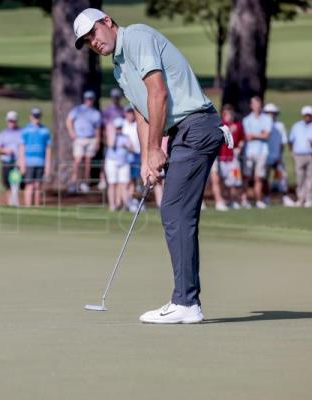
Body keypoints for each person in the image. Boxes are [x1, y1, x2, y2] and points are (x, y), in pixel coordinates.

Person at [74, 8, 227, 323]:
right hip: (184, 132)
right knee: (177, 211)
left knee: (174, 210)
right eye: (87, 41)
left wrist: (157, 147)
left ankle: (186, 302)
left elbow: (159, 95)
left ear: (108, 22)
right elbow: (143, 114)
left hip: (196, 127)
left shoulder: (138, 37)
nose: (93, 42)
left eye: (93, 33)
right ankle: (187, 301)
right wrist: (147, 159)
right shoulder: (119, 68)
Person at [287, 106, 312, 208]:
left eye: (309, 115)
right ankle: (301, 198)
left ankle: (309, 198)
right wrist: (292, 151)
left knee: (311, 177)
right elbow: (290, 140)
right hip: (298, 155)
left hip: (311, 155)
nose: (307, 117)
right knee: (300, 178)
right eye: (306, 115)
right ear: (303, 115)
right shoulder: (296, 126)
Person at [210, 104, 246, 210]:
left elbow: (242, 139)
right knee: (218, 180)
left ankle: (232, 200)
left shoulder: (238, 125)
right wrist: (229, 130)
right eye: (227, 114)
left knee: (233, 181)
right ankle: (219, 201)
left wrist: (239, 146)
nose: (229, 116)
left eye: (231, 114)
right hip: (220, 157)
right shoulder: (220, 125)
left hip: (232, 159)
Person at [66, 90, 102, 193]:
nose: (89, 101)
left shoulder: (95, 113)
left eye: (90, 99)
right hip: (80, 138)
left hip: (91, 139)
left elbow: (97, 129)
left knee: (88, 161)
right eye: (87, 99)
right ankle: (74, 182)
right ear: (84, 99)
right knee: (77, 160)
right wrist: (71, 132)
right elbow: (69, 121)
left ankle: (85, 182)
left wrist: (98, 141)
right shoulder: (77, 110)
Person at [242, 97, 272, 209]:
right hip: (249, 152)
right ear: (251, 105)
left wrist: (255, 135)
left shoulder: (267, 119)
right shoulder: (247, 120)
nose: (257, 106)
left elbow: (267, 135)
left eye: (259, 104)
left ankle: (258, 200)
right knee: (247, 177)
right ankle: (244, 199)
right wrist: (260, 134)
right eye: (255, 104)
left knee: (258, 177)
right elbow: (248, 137)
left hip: (262, 152)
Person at [19, 108, 51, 207]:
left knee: (38, 185)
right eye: (34, 116)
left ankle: (37, 206)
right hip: (29, 162)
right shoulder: (26, 130)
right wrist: (22, 163)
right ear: (30, 117)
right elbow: (22, 147)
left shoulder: (45, 131)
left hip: (40, 162)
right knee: (29, 185)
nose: (36, 119)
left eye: (38, 116)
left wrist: (48, 165)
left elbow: (48, 149)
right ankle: (28, 206)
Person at [263, 103, 293, 206]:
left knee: (282, 176)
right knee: (265, 178)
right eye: (268, 113)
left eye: (272, 113)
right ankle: (266, 197)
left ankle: (285, 196)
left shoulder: (280, 126)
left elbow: (282, 142)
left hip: (277, 156)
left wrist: (279, 155)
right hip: (265, 156)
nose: (271, 115)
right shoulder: (262, 125)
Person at [105, 117, 133, 211]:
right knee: (112, 183)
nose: (119, 129)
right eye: (117, 127)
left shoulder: (126, 137)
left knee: (123, 184)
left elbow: (132, 148)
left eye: (120, 127)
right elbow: (110, 144)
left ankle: (121, 203)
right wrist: (114, 133)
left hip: (124, 162)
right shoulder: (111, 135)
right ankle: (112, 205)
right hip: (112, 161)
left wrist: (126, 145)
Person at [0, 110, 23, 205]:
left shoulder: (21, 132)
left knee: (16, 184)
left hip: (17, 163)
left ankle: (16, 203)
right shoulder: (3, 133)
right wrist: (5, 150)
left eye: (13, 121)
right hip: (6, 162)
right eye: (10, 121)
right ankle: (9, 204)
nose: (11, 123)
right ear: (7, 121)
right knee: (7, 185)